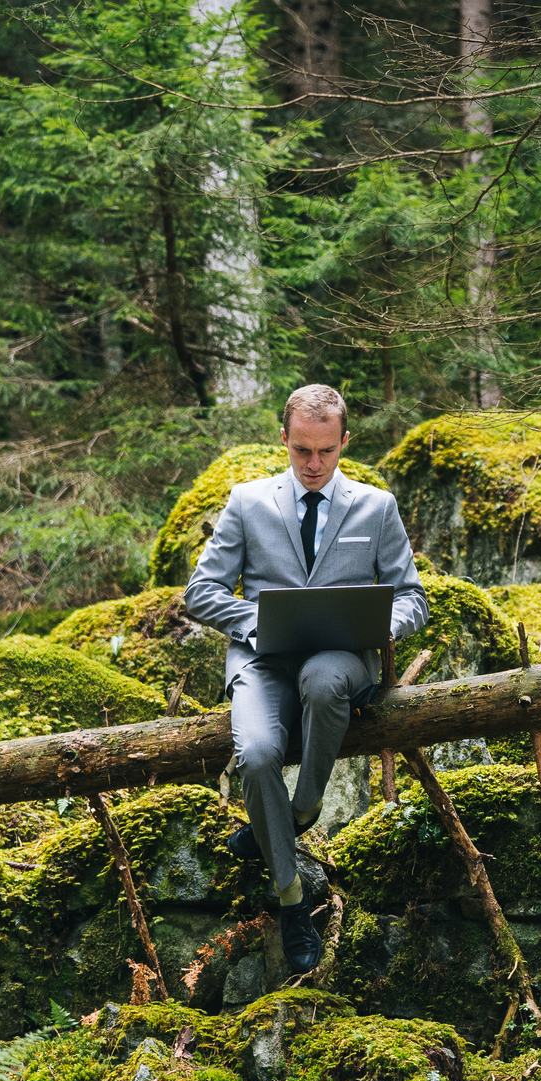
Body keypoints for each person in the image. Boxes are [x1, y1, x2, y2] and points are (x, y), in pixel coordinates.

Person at [184, 384, 429, 972]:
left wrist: (380, 626)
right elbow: (201, 591)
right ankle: (292, 897)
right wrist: (256, 622)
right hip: (262, 659)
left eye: (326, 451)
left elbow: (413, 598)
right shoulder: (247, 502)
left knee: (322, 679)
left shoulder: (377, 507)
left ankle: (301, 810)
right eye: (301, 451)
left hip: (341, 659)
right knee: (257, 754)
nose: (314, 464)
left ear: (344, 442)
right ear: (284, 441)